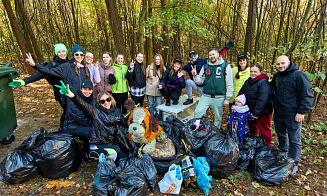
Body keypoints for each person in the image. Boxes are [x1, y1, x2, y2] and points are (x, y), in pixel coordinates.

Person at [55, 81, 129, 161]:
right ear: (99, 103)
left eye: (108, 99)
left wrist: (133, 115)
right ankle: (90, 156)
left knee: (124, 158)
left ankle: (111, 162)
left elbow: (125, 123)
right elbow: (83, 105)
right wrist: (71, 95)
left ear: (111, 99)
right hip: (95, 143)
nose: (106, 102)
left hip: (109, 143)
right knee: (115, 150)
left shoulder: (116, 111)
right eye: (102, 101)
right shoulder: (95, 111)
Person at [9, 43, 70, 128]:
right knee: (67, 111)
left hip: (71, 91)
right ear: (56, 54)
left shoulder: (70, 63)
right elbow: (38, 75)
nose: (62, 53)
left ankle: (68, 127)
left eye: (64, 51)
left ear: (67, 52)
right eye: (59, 52)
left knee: (72, 110)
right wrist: (23, 81)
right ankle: (62, 128)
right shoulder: (51, 65)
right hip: (60, 93)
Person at [271, 55, 313, 175]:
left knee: (294, 138)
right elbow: (272, 90)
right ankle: (283, 152)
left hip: (293, 114)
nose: (280, 66)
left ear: (289, 62)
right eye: (278, 64)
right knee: (281, 134)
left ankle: (294, 162)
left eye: (283, 63)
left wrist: (301, 111)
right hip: (279, 112)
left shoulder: (298, 75)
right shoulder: (276, 76)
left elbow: (307, 95)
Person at [25, 44, 90, 106]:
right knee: (68, 115)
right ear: (73, 55)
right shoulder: (66, 66)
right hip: (66, 96)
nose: (79, 56)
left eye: (81, 54)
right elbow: (47, 71)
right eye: (77, 54)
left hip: (80, 97)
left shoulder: (84, 68)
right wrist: (34, 65)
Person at [193, 48, 233, 128]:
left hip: (219, 97)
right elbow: (200, 81)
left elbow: (229, 83)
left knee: (218, 118)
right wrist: (195, 75)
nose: (212, 56)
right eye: (210, 55)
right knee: (197, 112)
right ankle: (196, 129)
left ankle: (216, 134)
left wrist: (227, 98)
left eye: (213, 54)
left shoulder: (225, 66)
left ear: (218, 54)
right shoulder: (205, 66)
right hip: (206, 96)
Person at [238, 64, 273, 146]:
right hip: (250, 110)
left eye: (255, 72)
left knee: (264, 130)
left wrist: (256, 113)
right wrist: (236, 104)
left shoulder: (263, 83)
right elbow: (241, 93)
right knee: (253, 128)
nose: (253, 73)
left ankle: (267, 147)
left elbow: (263, 99)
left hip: (263, 112)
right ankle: (254, 143)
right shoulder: (248, 81)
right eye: (251, 71)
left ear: (260, 72)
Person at [63, 79, 95, 162]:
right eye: (85, 89)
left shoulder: (92, 101)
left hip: (82, 125)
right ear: (81, 89)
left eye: (89, 89)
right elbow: (83, 120)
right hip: (71, 127)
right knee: (89, 131)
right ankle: (85, 153)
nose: (87, 92)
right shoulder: (74, 103)